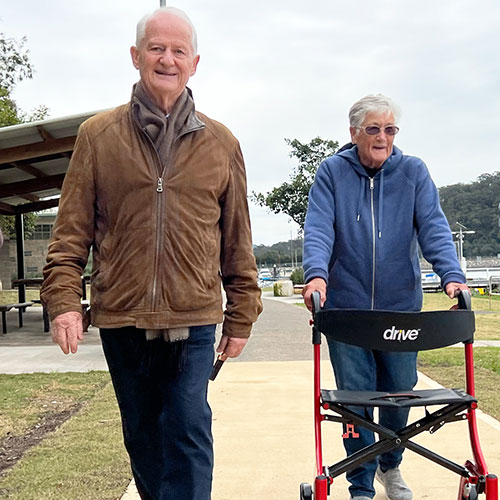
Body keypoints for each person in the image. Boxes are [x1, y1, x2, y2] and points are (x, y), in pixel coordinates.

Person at [40, 7, 262, 500]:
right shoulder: (97, 137)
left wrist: (242, 313)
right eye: (157, 48)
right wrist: (62, 303)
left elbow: (236, 239)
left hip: (194, 317)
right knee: (143, 437)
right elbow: (70, 232)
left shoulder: (221, 142)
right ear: (136, 56)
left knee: (187, 427)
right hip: (122, 318)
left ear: (195, 62)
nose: (167, 59)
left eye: (178, 50)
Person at [302, 94, 468, 500]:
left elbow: (433, 227)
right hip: (348, 311)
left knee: (400, 393)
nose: (382, 137)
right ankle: (361, 484)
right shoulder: (331, 173)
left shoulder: (413, 172)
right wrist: (316, 276)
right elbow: (319, 228)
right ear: (354, 132)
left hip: (400, 311)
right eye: (373, 129)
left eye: (390, 129)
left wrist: (453, 276)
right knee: (354, 402)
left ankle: (390, 466)